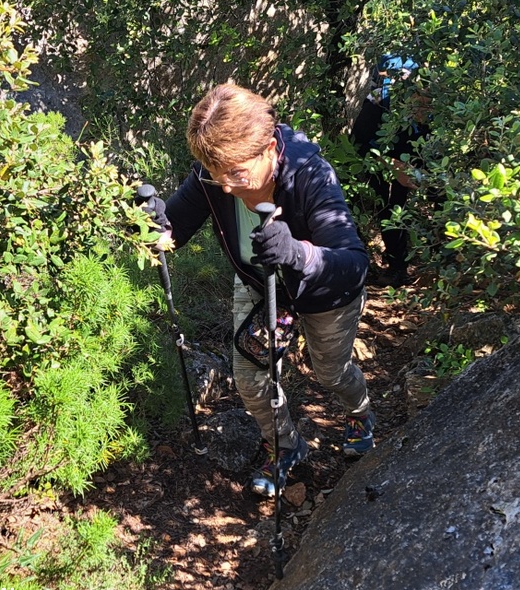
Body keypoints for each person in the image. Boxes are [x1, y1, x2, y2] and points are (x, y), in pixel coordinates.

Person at [142, 83, 373, 498]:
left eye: (235, 173)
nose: (226, 186)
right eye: (215, 173)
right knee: (250, 380)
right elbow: (173, 229)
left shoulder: (310, 175)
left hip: (324, 292)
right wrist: (152, 225)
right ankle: (285, 446)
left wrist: (296, 252)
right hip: (258, 283)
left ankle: (359, 412)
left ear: (268, 149)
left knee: (330, 372)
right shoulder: (213, 176)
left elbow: (353, 263)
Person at [350, 54, 437, 287]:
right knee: (389, 208)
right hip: (381, 154)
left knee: (439, 192)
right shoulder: (379, 102)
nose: (424, 107)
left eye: (428, 102)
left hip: (417, 151)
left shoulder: (436, 107)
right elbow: (359, 142)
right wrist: (392, 165)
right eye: (420, 101)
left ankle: (444, 261)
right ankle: (397, 266)